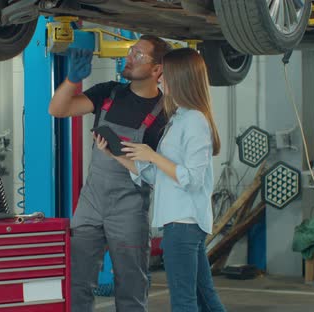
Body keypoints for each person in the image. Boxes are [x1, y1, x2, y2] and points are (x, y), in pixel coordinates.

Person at [95, 47, 227, 312]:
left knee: (184, 301)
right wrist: (117, 156)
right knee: (205, 298)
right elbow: (159, 177)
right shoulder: (179, 118)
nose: (160, 80)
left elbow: (192, 179)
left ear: (180, 78)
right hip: (181, 224)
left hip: (184, 224)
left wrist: (153, 156)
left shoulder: (194, 122)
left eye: (165, 75)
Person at [48, 35, 172, 312]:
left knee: (131, 285)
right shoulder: (109, 92)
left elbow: (159, 171)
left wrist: (120, 154)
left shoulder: (164, 115)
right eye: (131, 51)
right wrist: (71, 80)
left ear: (157, 70)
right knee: (77, 281)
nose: (129, 57)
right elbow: (57, 109)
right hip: (91, 203)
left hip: (129, 209)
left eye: (138, 55)